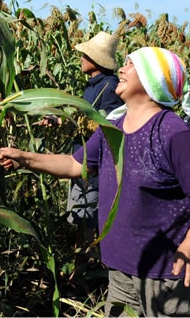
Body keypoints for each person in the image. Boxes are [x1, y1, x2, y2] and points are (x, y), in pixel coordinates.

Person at [0, 47, 190, 317]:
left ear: (153, 80)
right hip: (120, 271)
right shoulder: (112, 129)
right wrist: (24, 157)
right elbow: (73, 164)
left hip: (167, 274)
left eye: (130, 64)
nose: (121, 69)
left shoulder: (173, 131)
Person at [67, 32, 123, 238]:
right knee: (82, 212)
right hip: (82, 157)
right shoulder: (93, 85)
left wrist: (81, 123)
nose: (81, 59)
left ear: (97, 61)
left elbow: (111, 124)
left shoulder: (109, 86)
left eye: (86, 56)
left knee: (89, 212)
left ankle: (88, 261)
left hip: (95, 163)